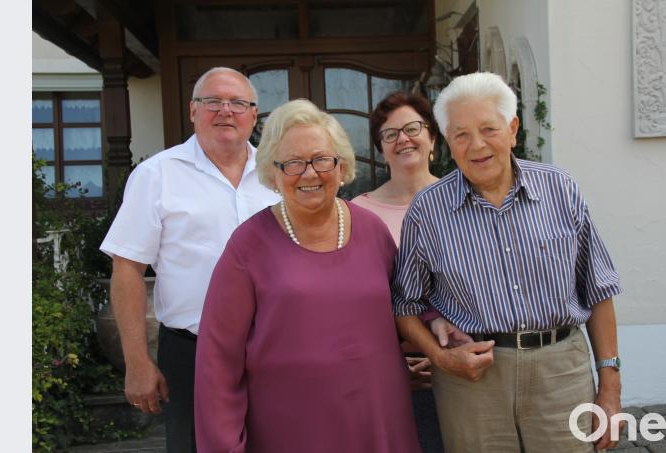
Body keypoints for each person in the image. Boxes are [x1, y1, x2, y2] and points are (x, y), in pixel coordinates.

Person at [391, 72, 624, 453]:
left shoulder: (560, 189)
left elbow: (599, 289)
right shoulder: (427, 211)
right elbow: (404, 306)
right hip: (473, 380)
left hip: (561, 370)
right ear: (448, 141)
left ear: (513, 128)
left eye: (488, 129)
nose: (477, 145)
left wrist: (610, 390)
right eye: (461, 134)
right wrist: (441, 358)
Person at [194, 99, 420, 453]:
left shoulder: (371, 229)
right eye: (293, 163)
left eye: (321, 159)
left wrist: (434, 342)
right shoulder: (248, 245)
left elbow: (405, 308)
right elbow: (217, 361)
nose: (309, 173)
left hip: (378, 419)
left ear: (341, 164)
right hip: (290, 429)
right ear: (273, 172)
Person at [100, 67, 279, 452]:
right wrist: (136, 360)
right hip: (194, 354)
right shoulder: (157, 175)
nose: (225, 111)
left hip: (277, 350)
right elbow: (127, 267)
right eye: (212, 101)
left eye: (237, 103)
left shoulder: (279, 174)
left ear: (253, 114)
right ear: (192, 111)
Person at [352, 92, 469, 453]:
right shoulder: (359, 213)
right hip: (397, 370)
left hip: (469, 360)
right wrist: (399, 364)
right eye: (390, 134)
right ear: (381, 149)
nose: (403, 139)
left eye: (412, 128)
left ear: (433, 137)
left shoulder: (467, 200)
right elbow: (359, 301)